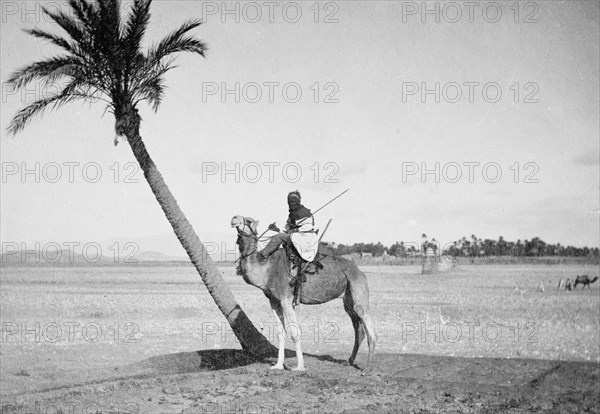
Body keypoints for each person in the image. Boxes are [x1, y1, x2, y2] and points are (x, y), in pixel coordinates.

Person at [257, 191, 314, 261]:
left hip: (304, 239)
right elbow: (286, 230)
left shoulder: (304, 212)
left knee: (278, 237)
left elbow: (309, 227)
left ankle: (263, 255)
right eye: (289, 202)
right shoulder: (292, 214)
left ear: (297, 201)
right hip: (295, 238)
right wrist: (276, 229)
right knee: (280, 236)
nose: (291, 203)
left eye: (293, 201)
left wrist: (295, 230)